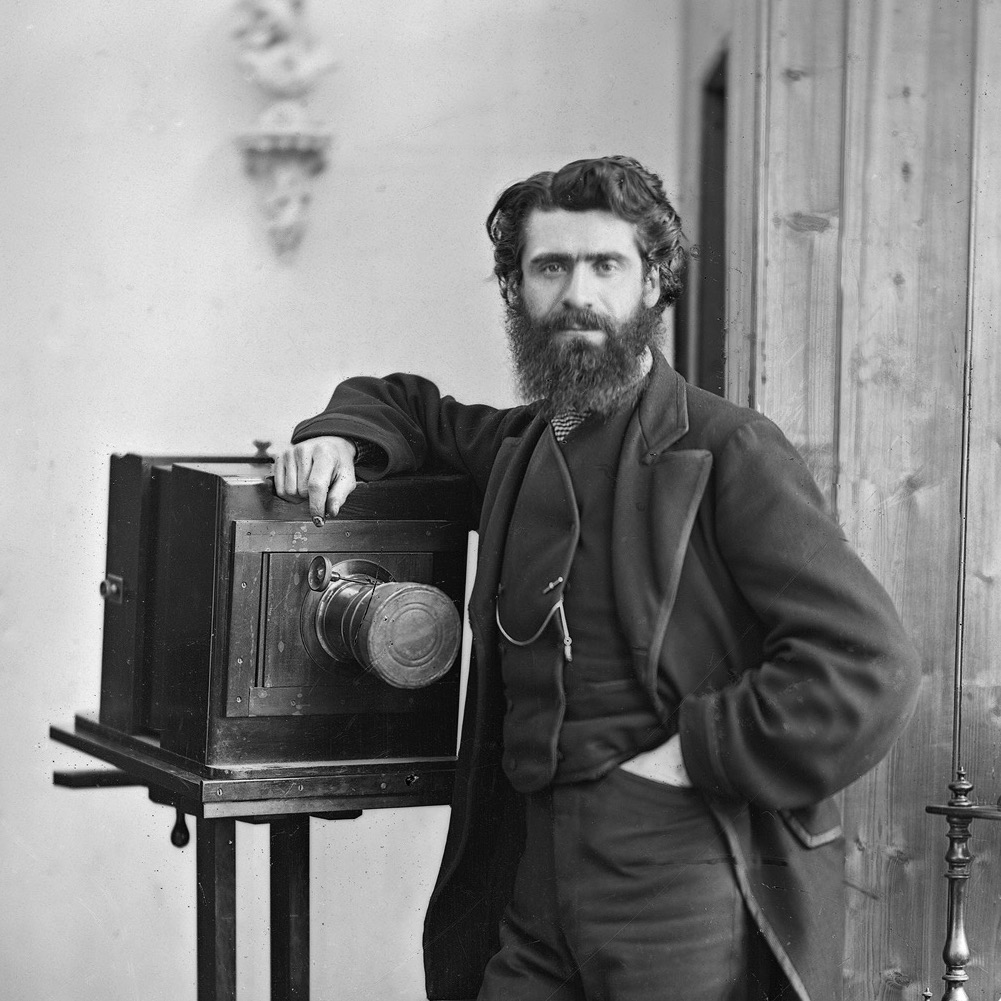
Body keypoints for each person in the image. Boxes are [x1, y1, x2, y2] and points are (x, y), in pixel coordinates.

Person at [273, 155, 921, 1001]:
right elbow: (398, 402)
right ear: (516, 290)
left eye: (604, 265)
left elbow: (869, 662)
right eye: (550, 266)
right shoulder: (516, 444)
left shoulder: (728, 449)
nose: (577, 292)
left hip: (677, 867)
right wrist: (339, 436)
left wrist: (696, 751)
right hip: (533, 869)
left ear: (652, 280)